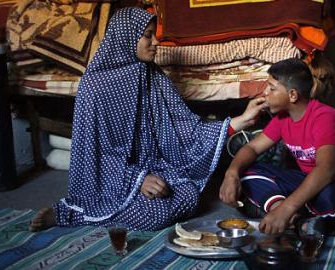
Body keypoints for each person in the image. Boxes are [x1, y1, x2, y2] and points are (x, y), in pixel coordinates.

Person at [29, 7, 267, 232]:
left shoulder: (152, 75)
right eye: (148, 36)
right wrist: (138, 179)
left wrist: (240, 121)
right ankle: (71, 214)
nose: (156, 42)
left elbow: (183, 127)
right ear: (127, 38)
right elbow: (96, 153)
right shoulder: (95, 87)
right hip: (111, 178)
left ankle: (121, 204)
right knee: (154, 215)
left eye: (155, 36)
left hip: (154, 166)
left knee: (190, 194)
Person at [219, 58, 335, 235]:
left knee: (328, 197)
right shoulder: (282, 119)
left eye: (272, 88)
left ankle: (286, 213)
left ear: (293, 95)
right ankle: (291, 216)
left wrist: (286, 208)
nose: (265, 93)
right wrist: (231, 174)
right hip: (308, 183)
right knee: (245, 172)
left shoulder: (324, 118)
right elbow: (251, 149)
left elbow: (326, 170)